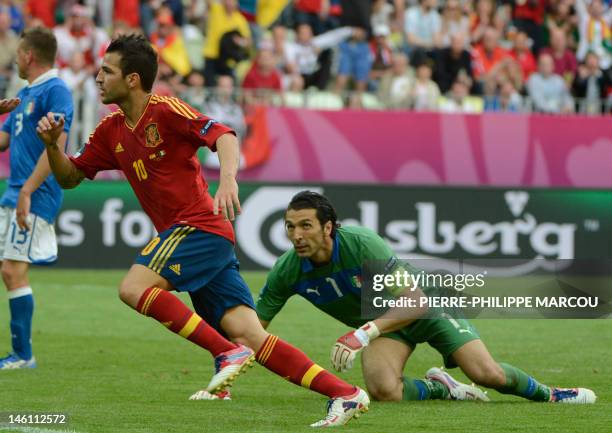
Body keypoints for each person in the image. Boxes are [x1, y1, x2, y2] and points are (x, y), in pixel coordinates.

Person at [35, 34, 368, 428]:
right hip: (202, 238)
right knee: (252, 338)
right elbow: (71, 177)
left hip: (198, 227)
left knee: (134, 288)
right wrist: (54, 147)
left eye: (107, 70)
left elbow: (224, 134)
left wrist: (228, 180)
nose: (98, 77)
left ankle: (225, 354)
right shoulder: (111, 131)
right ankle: (345, 394)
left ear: (134, 79)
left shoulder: (167, 110)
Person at [254, 191, 597, 405]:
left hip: (426, 306)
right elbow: (250, 329)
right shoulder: (287, 270)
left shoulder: (361, 243)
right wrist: (222, 376)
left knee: (487, 374)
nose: (295, 235)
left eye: (305, 226)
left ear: (328, 227)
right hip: (384, 326)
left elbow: (415, 300)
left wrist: (361, 334)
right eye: (289, 226)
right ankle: (443, 388)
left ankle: (551, 394)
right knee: (384, 392)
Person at [0, 27, 73, 369]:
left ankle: (23, 355)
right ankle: (20, 354)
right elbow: (2, 141)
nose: (15, 57)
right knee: (9, 271)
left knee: (14, 271)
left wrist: (28, 190)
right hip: (13, 193)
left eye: (18, 52)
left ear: (29, 55)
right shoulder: (25, 93)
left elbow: (57, 145)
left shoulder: (57, 90)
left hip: (33, 194)